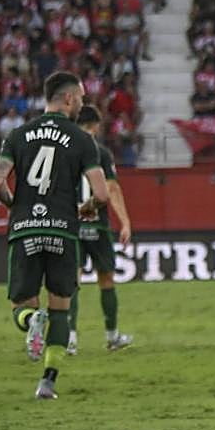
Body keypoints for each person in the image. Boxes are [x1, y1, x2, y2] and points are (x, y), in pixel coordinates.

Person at [0, 71, 109, 400]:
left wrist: (17, 207)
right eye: (81, 98)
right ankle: (48, 382)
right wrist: (86, 207)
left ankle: (30, 320)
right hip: (63, 231)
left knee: (20, 306)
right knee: (61, 308)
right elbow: (102, 194)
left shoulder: (17, 135)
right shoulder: (84, 140)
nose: (82, 103)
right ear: (69, 98)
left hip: (25, 228)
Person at [67, 105, 134, 354]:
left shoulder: (63, 151)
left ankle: (70, 340)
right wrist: (125, 221)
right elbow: (112, 189)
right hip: (98, 225)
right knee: (106, 279)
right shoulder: (101, 152)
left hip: (70, 226)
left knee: (70, 282)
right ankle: (112, 336)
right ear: (95, 125)